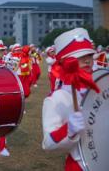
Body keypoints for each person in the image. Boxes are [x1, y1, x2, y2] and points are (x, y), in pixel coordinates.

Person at [42, 28, 99, 171]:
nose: (87, 60)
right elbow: (48, 143)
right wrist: (69, 129)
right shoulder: (56, 99)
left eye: (89, 55)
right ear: (64, 62)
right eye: (79, 56)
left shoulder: (101, 87)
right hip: (80, 164)